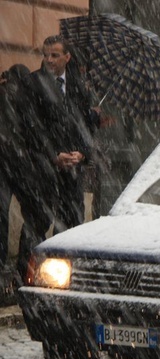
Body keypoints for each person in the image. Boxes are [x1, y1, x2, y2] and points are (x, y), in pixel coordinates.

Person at [30, 35, 98, 233]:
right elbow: (32, 128)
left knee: (72, 225)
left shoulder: (79, 86)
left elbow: (86, 127)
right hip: (43, 169)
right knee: (37, 225)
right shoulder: (34, 83)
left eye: (55, 55)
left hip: (72, 172)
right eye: (46, 55)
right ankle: (30, 265)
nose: (49, 59)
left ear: (67, 57)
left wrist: (82, 153)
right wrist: (53, 155)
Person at [0, 64, 56, 282]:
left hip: (11, 165)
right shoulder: (27, 98)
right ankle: (26, 267)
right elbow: (34, 132)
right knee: (35, 214)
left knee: (4, 215)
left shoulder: (10, 96)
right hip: (21, 165)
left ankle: (10, 263)